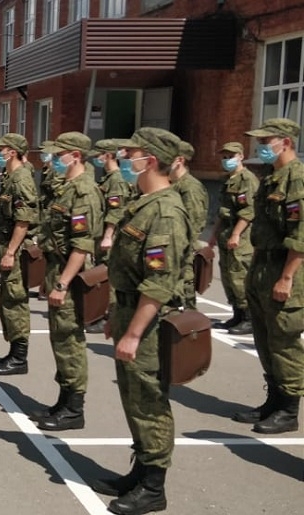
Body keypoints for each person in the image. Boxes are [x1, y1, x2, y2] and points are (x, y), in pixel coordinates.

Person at [91, 127, 191, 515]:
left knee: (149, 400)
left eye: (131, 153)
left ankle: (154, 486)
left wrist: (133, 332)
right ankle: (140, 470)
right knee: (133, 396)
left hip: (147, 321)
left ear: (149, 160)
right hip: (131, 310)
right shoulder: (144, 202)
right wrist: (118, 316)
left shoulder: (165, 210)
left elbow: (159, 282)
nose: (125, 159)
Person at [235, 118, 304, 435]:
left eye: (267, 141)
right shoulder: (272, 177)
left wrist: (287, 277)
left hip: (283, 267)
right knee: (264, 338)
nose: (261, 147)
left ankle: (289, 410)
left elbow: (301, 236)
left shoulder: (297, 179)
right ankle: (273, 400)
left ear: (286, 142)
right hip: (262, 266)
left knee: (283, 341)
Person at [32, 132, 104, 431]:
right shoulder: (68, 187)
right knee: (60, 339)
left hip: (70, 276)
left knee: (70, 340)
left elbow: (82, 245)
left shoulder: (84, 191)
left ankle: (75, 408)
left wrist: (61, 283)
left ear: (75, 156)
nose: (54, 159)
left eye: (59, 154)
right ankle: (64, 399)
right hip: (58, 270)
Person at [0, 133, 38, 375]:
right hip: (6, 244)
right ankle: (14, 351)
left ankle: (20, 357)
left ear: (13, 151)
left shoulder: (21, 179)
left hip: (15, 249)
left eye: (2, 148)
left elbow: (23, 220)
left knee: (15, 301)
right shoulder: (10, 178)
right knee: (7, 300)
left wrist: (10, 252)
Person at [86, 138, 136, 334]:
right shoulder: (108, 178)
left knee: (111, 277)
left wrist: (108, 235)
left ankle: (112, 316)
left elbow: (115, 212)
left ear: (107, 156)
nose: (96, 159)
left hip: (112, 237)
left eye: (98, 155)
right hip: (103, 236)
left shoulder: (116, 180)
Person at [209, 142, 258, 335]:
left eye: (230, 156)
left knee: (239, 275)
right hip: (226, 232)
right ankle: (237, 314)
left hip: (241, 235)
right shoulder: (229, 180)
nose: (226, 160)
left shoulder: (247, 180)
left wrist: (236, 233)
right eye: (224, 156)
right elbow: (223, 212)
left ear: (241, 156)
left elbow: (248, 211)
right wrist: (213, 236)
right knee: (228, 275)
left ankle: (249, 318)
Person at [170, 142, 209, 308]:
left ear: (179, 160)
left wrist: (181, 247)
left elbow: (193, 222)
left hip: (182, 247)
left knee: (185, 290)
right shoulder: (174, 184)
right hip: (173, 246)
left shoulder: (190, 187)